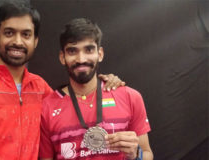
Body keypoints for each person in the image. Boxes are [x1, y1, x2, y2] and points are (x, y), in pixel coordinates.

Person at [0, 3, 124, 160]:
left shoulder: (40, 88)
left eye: (26, 34)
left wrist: (105, 83)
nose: (18, 42)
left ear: (35, 41)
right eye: (9, 33)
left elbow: (74, 104)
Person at [39, 18, 153, 160]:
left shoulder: (130, 97)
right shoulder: (46, 108)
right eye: (72, 51)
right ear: (62, 57)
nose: (81, 59)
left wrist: (135, 154)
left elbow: (147, 154)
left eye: (89, 50)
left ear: (100, 54)